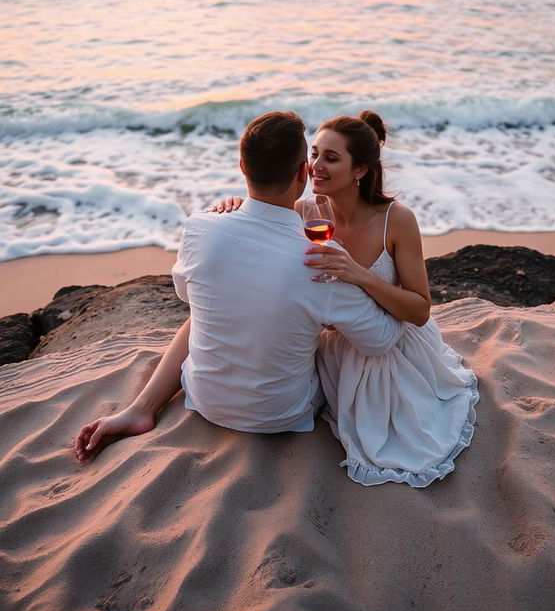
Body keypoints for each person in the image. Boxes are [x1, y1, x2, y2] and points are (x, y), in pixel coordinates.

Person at [74, 111, 403, 462]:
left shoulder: (201, 226)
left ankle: (142, 408)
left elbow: (188, 296)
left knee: (205, 312)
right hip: (281, 414)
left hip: (203, 399)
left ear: (243, 166)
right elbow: (380, 339)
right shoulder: (322, 258)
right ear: (302, 175)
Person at [214, 110, 479, 488]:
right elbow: (260, 219)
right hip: (325, 346)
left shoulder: (396, 220)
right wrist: (234, 206)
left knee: (406, 441)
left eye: (331, 158)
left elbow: (419, 310)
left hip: (388, 347)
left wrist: (359, 274)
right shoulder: (302, 211)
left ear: (361, 170)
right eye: (315, 155)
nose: (316, 167)